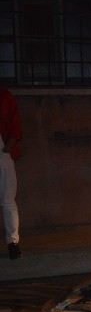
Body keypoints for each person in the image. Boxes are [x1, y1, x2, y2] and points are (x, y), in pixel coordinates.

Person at [0, 86, 22, 260]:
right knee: (8, 200)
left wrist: (8, 147)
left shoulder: (5, 96)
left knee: (8, 200)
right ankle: (13, 243)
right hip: (4, 150)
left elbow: (15, 124)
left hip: (3, 151)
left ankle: (13, 242)